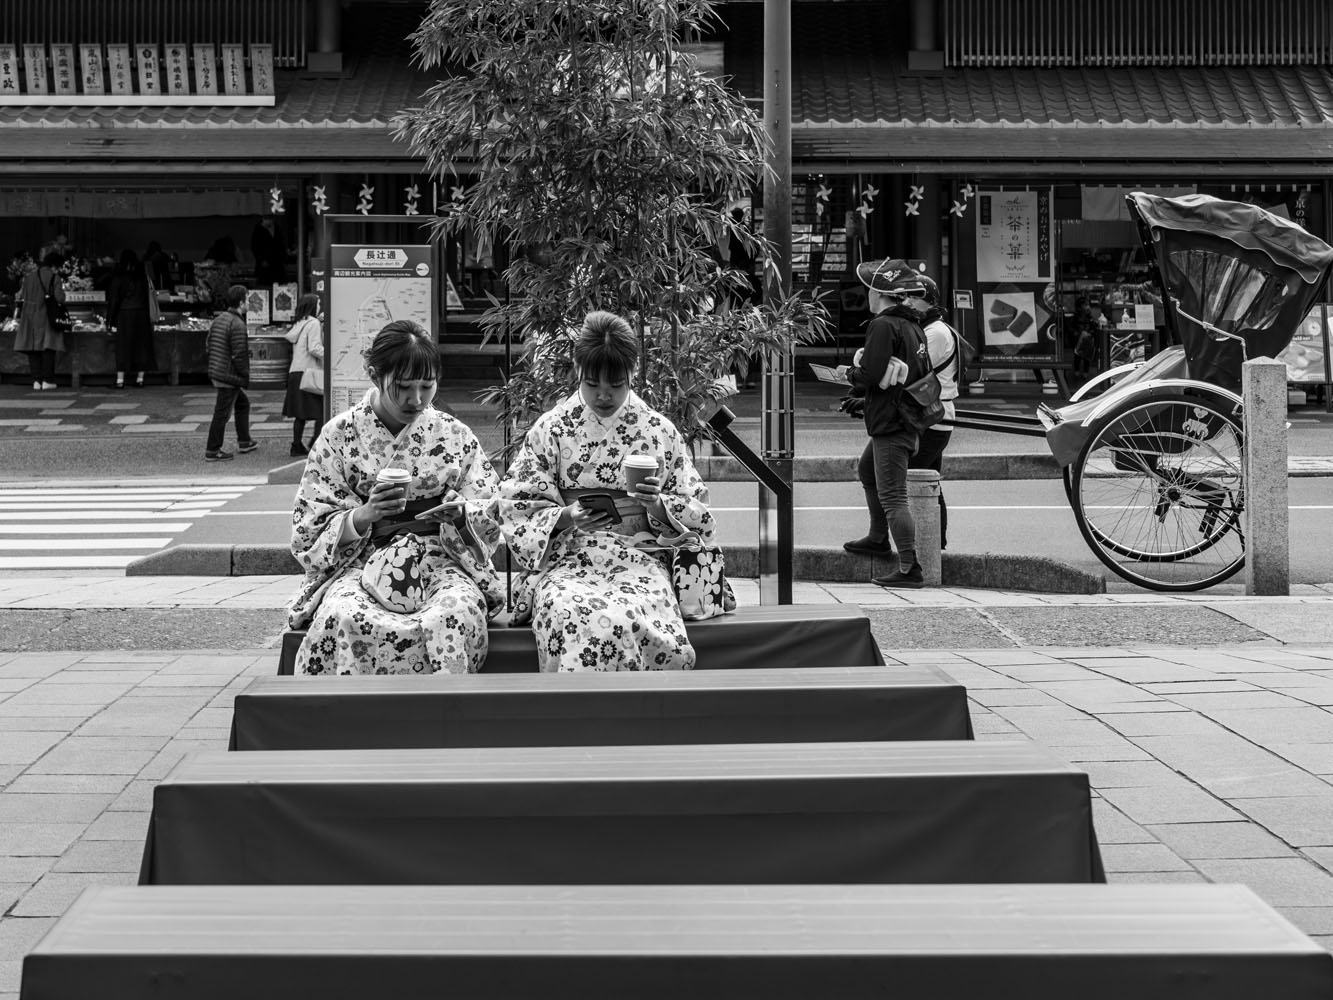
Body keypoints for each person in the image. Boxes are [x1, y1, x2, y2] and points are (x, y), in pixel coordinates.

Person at [494, 310, 716, 672]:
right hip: (568, 559)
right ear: (578, 371)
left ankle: (638, 720)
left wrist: (658, 505)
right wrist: (565, 516)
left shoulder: (658, 430)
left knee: (637, 614)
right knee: (568, 612)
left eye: (616, 384)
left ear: (633, 373)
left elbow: (699, 514)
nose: (603, 395)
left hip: (640, 557)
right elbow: (517, 503)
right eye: (592, 383)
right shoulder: (551, 429)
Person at [288, 320, 503, 675]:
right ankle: (358, 724)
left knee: (451, 615)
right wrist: (364, 515)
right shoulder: (339, 435)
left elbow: (490, 507)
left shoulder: (454, 434)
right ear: (374, 375)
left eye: (427, 386)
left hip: (440, 563)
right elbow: (309, 525)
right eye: (403, 387)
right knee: (346, 615)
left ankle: (443, 722)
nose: (416, 399)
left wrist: (461, 516)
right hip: (362, 564)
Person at [841, 258, 931, 588]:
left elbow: (870, 374)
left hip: (892, 423)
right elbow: (907, 376)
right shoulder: (912, 325)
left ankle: (910, 567)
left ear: (879, 293)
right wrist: (867, 398)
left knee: (894, 496)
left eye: (868, 289)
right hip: (905, 416)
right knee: (867, 471)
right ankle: (878, 538)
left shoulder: (882, 325)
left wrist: (848, 375)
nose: (866, 294)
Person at [903, 275, 959, 551]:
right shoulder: (929, 328)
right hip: (935, 415)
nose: (908, 301)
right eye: (907, 296)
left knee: (918, 478)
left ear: (929, 302)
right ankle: (936, 543)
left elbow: (915, 369)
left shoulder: (935, 332)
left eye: (914, 296)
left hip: (934, 416)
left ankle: (929, 545)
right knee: (929, 480)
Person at [204, 284, 257, 462]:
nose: (249, 303)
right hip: (228, 375)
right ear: (241, 302)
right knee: (222, 413)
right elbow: (239, 354)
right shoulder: (238, 324)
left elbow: (208, 344)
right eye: (248, 300)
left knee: (242, 404)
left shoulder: (220, 319)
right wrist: (245, 375)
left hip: (218, 370)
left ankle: (245, 441)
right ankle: (213, 450)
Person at [106, 249, 158, 389]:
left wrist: (109, 321)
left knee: (122, 346)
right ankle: (140, 379)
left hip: (124, 315)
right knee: (142, 346)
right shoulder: (142, 277)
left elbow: (114, 300)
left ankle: (120, 380)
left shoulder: (118, 277)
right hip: (142, 314)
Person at [14, 251, 65, 391]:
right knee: (48, 347)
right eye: (59, 267)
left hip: (29, 315)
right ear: (54, 266)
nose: (59, 270)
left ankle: (36, 380)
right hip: (46, 315)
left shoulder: (29, 277)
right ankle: (47, 380)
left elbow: (23, 295)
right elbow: (60, 298)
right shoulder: (55, 277)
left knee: (33, 348)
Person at [282, 293, 325, 457]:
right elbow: (314, 347)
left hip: (296, 372)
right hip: (309, 372)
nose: (320, 306)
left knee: (300, 413)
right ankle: (316, 443)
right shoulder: (312, 323)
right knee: (322, 410)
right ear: (313, 305)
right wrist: (332, 355)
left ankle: (296, 444)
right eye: (319, 303)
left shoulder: (300, 323)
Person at [251, 217, 286, 285]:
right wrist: (261, 260)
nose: (271, 221)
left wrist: (283, 257)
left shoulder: (277, 228)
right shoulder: (258, 229)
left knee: (278, 285)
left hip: (277, 264)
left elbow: (281, 244)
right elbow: (255, 247)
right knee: (265, 285)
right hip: (264, 265)